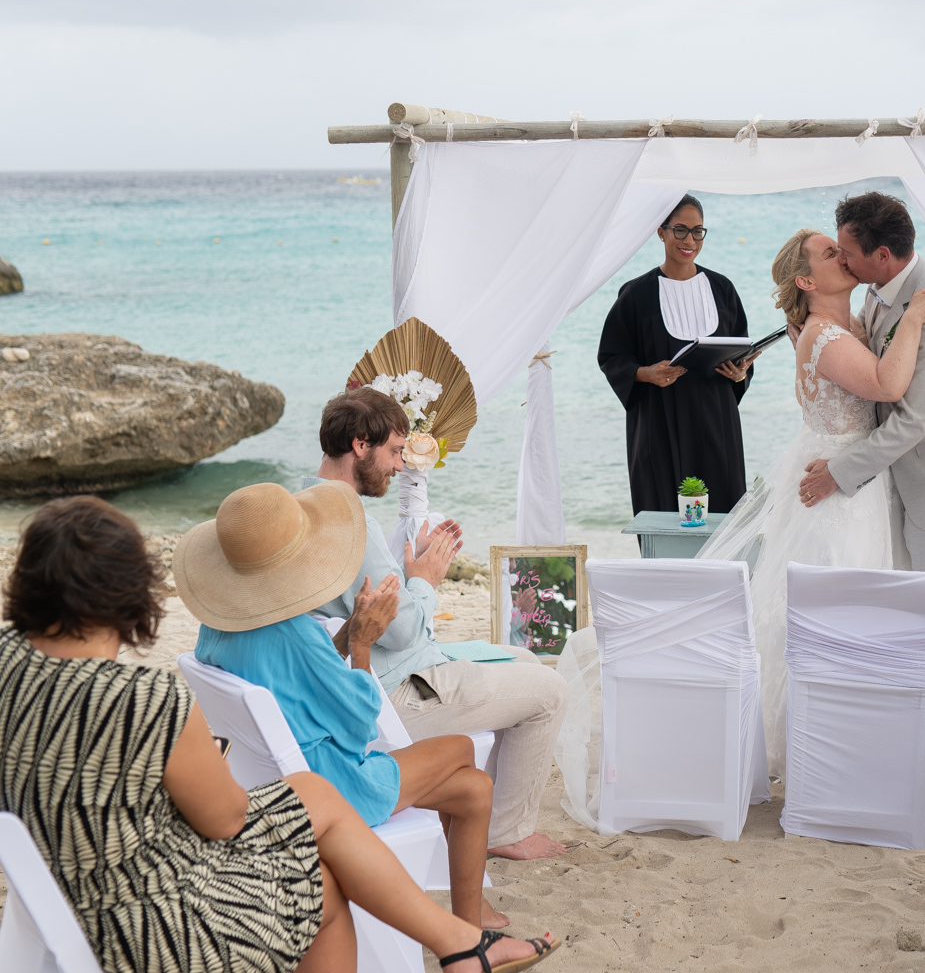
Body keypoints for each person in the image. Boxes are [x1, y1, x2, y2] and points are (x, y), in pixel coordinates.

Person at [0, 496, 554, 973]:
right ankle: (463, 944)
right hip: (152, 927)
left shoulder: (8, 666)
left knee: (323, 798)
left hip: (69, 890)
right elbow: (224, 820)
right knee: (322, 871)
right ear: (128, 595)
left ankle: (461, 943)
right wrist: (360, 646)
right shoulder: (144, 700)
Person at [182, 480, 512, 932]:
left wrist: (347, 634)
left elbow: (295, 675)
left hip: (274, 779)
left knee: (473, 789)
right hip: (331, 786)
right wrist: (362, 646)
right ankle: (469, 930)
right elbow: (360, 729)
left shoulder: (218, 627)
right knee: (461, 749)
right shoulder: (295, 634)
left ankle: (471, 928)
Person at [697, 226, 925, 778]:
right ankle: (818, 742)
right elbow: (887, 386)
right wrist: (914, 317)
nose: (843, 255)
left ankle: (848, 733)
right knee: (836, 609)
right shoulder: (823, 336)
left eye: (842, 248)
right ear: (807, 281)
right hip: (836, 487)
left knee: (857, 608)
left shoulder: (851, 322)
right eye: (829, 252)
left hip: (858, 477)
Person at [796, 191, 925, 791]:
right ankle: (920, 726)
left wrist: (839, 472)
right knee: (911, 613)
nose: (843, 261)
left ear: (883, 255)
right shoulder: (875, 291)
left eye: (849, 253)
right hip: (901, 483)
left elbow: (912, 420)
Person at [305, 386, 569, 861]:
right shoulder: (350, 520)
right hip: (397, 691)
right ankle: (505, 832)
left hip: (374, 674)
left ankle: (492, 819)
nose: (399, 466)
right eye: (394, 451)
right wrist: (424, 580)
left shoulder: (302, 503)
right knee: (550, 691)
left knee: (524, 659)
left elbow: (365, 602)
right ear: (361, 445)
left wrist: (409, 573)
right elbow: (402, 630)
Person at [597, 194, 760, 517]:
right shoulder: (637, 294)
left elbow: (741, 349)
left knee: (722, 513)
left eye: (698, 231)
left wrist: (740, 373)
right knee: (664, 508)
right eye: (680, 230)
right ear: (661, 232)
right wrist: (646, 373)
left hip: (717, 420)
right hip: (659, 421)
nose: (690, 240)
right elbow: (611, 357)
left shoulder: (723, 289)